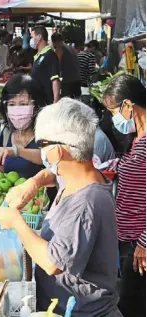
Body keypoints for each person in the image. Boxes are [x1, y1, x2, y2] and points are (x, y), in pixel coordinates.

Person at [0, 98, 121, 316]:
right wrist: (33, 183)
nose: (41, 151)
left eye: (42, 144)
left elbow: (53, 262)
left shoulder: (86, 202)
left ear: (60, 150)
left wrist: (17, 223)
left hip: (81, 311)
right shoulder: (76, 173)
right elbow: (52, 174)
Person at [102, 74, 146, 317]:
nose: (112, 119)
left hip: (140, 245)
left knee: (132, 306)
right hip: (129, 239)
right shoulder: (137, 137)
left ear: (128, 105)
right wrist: (115, 165)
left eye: (113, 111)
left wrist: (144, 242)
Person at [0, 74, 45, 179]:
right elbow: (0, 167)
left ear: (36, 106)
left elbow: (47, 157)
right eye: (11, 104)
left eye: (23, 104)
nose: (17, 110)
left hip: (38, 193)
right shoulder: (6, 133)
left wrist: (16, 151)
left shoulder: (45, 133)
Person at [30, 26, 60, 104]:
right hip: (38, 100)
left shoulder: (50, 55)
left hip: (46, 102)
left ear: (39, 37)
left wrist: (55, 102)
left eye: (32, 36)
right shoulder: (39, 56)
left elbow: (55, 80)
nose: (31, 40)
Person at [51, 33, 81, 99]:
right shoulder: (71, 48)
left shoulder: (59, 48)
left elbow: (57, 64)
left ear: (54, 42)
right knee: (77, 101)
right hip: (77, 79)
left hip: (67, 81)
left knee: (66, 103)